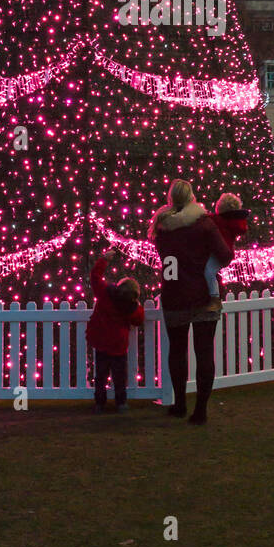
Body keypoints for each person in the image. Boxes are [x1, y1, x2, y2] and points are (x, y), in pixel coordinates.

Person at [150, 179, 233, 424]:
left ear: (171, 198)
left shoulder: (162, 227)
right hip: (204, 297)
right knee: (204, 352)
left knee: (177, 351)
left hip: (174, 294)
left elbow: (167, 262)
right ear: (192, 197)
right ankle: (201, 410)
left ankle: (179, 404)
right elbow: (225, 256)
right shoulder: (204, 225)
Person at [85, 247, 144, 413]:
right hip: (118, 346)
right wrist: (138, 306)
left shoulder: (105, 294)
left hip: (102, 342)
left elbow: (95, 277)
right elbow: (139, 320)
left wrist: (104, 259)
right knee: (119, 376)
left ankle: (100, 403)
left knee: (101, 376)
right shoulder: (131, 308)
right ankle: (121, 403)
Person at [203, 192, 248, 314]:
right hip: (224, 252)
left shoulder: (221, 221)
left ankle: (214, 298)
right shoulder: (233, 222)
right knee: (210, 271)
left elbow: (209, 220)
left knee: (208, 271)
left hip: (221, 252)